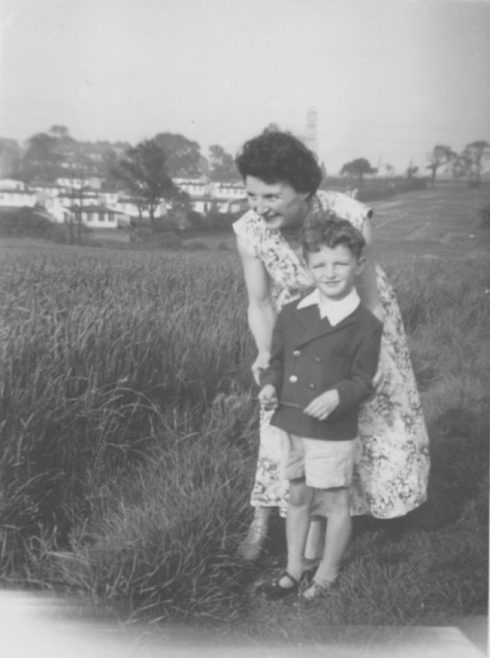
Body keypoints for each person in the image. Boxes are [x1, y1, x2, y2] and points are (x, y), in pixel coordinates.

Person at [233, 129, 430, 561]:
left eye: (270, 196)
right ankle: (269, 518)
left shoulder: (349, 214)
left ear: (303, 189)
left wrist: (371, 355)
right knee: (285, 418)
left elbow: (373, 296)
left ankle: (357, 514)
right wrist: (269, 357)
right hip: (300, 327)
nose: (259, 207)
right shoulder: (250, 230)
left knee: (369, 409)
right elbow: (261, 302)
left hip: (360, 320)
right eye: (251, 195)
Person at [257, 216, 383, 600]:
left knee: (334, 501)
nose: (330, 273)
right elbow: (274, 361)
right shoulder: (293, 311)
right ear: (307, 267)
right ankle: (295, 569)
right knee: (297, 496)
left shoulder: (365, 323)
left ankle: (327, 573)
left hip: (332, 426)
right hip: (294, 419)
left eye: (341, 263)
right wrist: (268, 385)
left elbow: (364, 379)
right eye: (320, 265)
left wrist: (338, 396)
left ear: (358, 266)